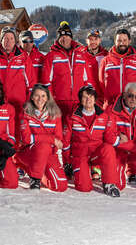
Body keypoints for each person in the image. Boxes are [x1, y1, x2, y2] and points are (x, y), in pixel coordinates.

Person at [41, 21, 92, 171]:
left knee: (76, 134)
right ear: (58, 39)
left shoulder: (81, 55)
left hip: (77, 103)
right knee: (58, 134)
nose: (64, 39)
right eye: (61, 36)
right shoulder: (51, 56)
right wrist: (50, 102)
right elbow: (46, 82)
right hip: (58, 103)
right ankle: (55, 163)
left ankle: (72, 163)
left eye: (67, 36)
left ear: (71, 37)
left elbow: (87, 81)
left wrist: (87, 101)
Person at [68, 86, 120, 197]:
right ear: (80, 100)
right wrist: (67, 162)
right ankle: (82, 170)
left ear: (95, 98)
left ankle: (109, 184)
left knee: (108, 148)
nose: (88, 99)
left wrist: (121, 140)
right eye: (85, 97)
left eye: (91, 96)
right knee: (84, 188)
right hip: (80, 155)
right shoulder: (72, 117)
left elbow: (109, 138)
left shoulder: (104, 116)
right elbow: (66, 141)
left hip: (95, 154)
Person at [15, 84, 68, 191]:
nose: (40, 99)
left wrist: (52, 144)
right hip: (28, 152)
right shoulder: (25, 113)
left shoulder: (56, 114)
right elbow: (27, 139)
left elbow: (59, 139)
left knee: (60, 186)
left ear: (48, 97)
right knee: (43, 146)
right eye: (37, 96)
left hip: (49, 153)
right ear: (32, 97)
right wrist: (51, 140)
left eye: (43, 96)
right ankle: (35, 179)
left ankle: (37, 171)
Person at [0, 26, 34, 128]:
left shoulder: (24, 58)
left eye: (11, 38)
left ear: (15, 41)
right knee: (0, 129)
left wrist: (30, 103)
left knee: (18, 129)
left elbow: (31, 83)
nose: (8, 41)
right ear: (1, 40)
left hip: (19, 102)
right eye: (5, 38)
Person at [99, 28, 136, 107]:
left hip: (133, 107)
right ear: (115, 41)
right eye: (119, 40)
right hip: (111, 106)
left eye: (124, 40)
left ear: (129, 41)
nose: (122, 43)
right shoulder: (106, 61)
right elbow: (102, 83)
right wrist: (109, 98)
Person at [79, 29, 108, 106]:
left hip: (102, 97)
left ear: (100, 40)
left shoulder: (106, 55)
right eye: (90, 39)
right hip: (86, 96)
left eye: (96, 39)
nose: (93, 42)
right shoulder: (80, 55)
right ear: (86, 41)